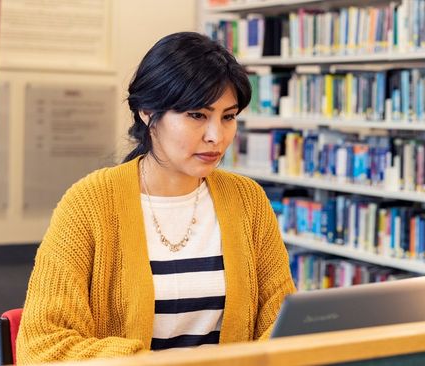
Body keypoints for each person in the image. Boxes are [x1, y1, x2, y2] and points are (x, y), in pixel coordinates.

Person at [16, 31, 296, 364]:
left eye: (228, 117)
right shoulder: (89, 203)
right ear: (148, 112)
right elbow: (43, 346)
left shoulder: (248, 200)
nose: (216, 136)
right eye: (197, 115)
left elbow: (283, 323)